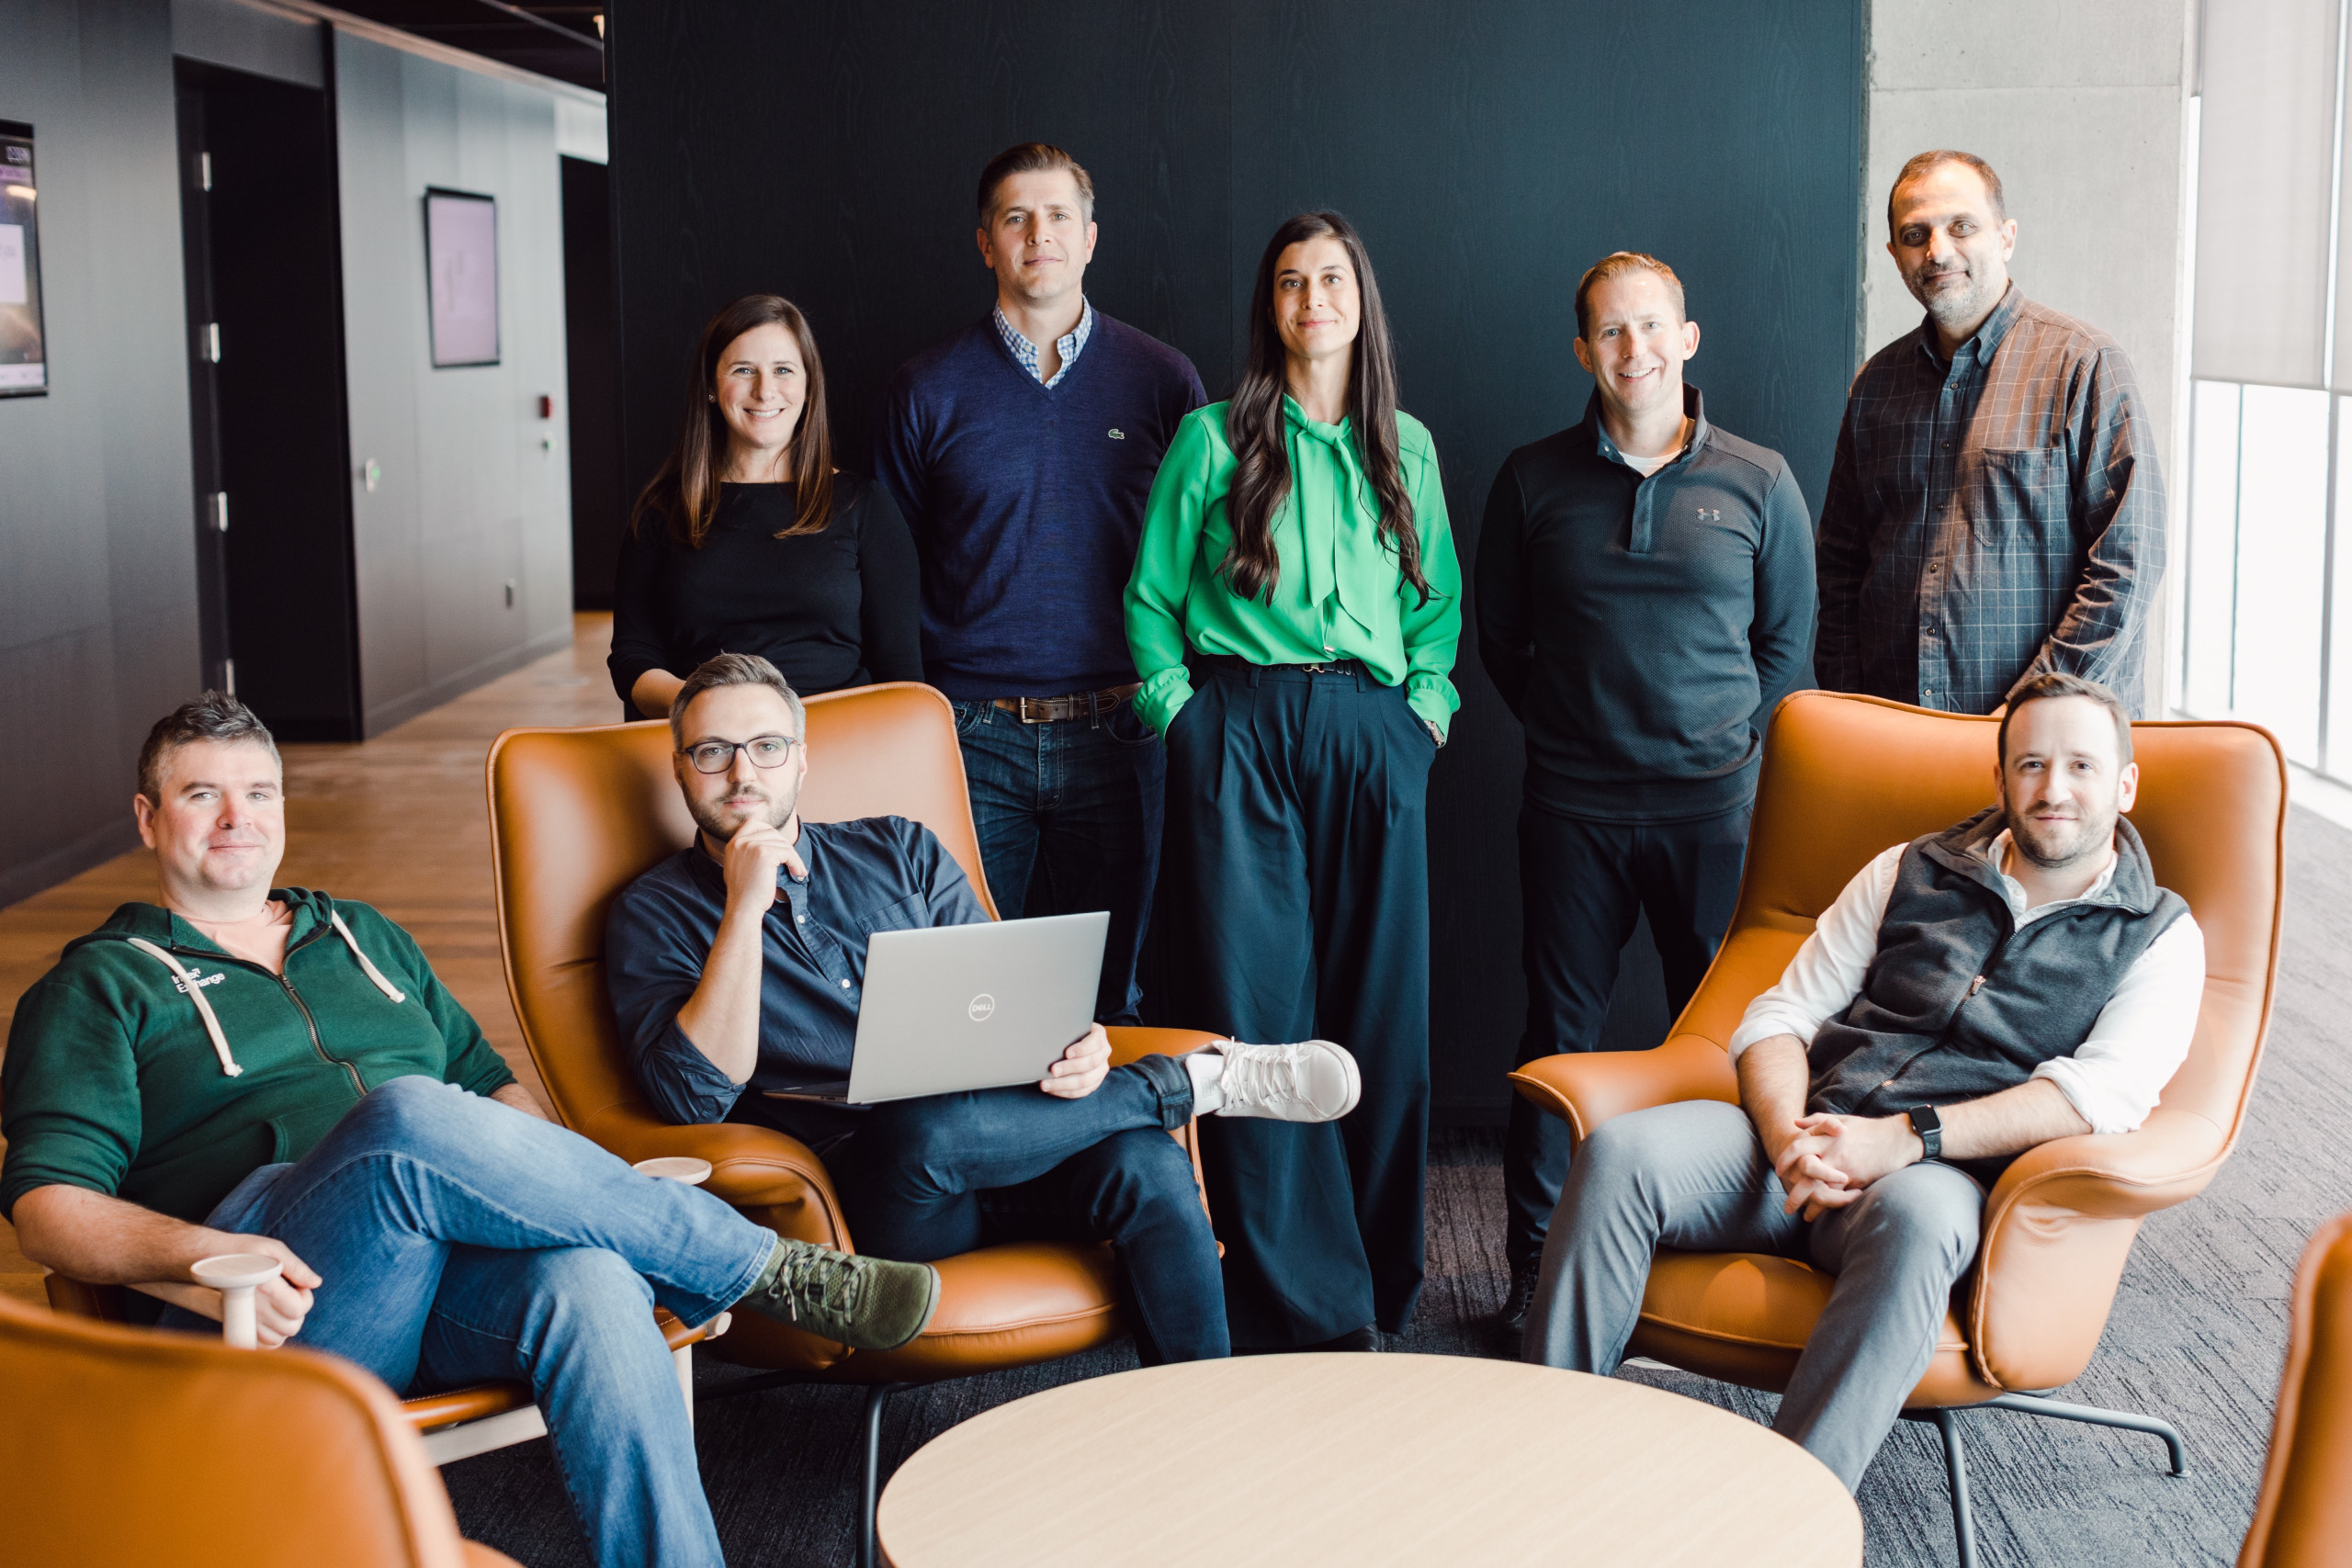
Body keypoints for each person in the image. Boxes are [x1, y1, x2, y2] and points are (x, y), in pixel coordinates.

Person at [1, 694, 943, 1568]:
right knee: (406, 1115)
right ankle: (755, 1265)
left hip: (431, 1275)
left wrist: (572, 1206)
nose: (236, 818)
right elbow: (46, 1210)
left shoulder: (362, 936)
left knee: (588, 1275)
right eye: (201, 795)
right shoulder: (98, 987)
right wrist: (198, 1258)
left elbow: (491, 1097)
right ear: (147, 818)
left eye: (257, 793)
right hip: (262, 1306)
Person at [1521, 672, 2206, 1490]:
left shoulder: (2160, 936)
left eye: (2082, 767)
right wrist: (1787, 1140)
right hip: (1800, 1140)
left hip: (1932, 1177)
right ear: (2001, 778)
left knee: (1922, 1220)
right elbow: (1779, 1016)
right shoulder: (1908, 868)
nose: (2053, 788)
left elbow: (2094, 1097)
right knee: (1621, 1151)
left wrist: (1903, 1140)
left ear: (2125, 783)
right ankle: (1546, 1463)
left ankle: (1785, 1516)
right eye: (2030, 764)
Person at [603, 653, 1362, 1368]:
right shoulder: (653, 911)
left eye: (767, 746)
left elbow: (1011, 1005)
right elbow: (692, 1095)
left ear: (802, 758)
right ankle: (1184, 1084)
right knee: (921, 1131)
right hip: (882, 1191)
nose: (742, 772)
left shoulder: (900, 849)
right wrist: (743, 907)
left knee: (1148, 1163)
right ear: (680, 768)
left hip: (1015, 1144)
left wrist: (1079, 1045)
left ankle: (1206, 1421)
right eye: (713, 752)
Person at [1125, 210, 1462, 1353]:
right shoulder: (1210, 438)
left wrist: (1423, 717)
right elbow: (1148, 601)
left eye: (1330, 278)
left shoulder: (1403, 446)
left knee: (1382, 1013)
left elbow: (1437, 611)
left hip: (1373, 734)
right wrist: (1184, 722)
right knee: (1257, 1018)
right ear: (1268, 308)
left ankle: (1376, 1283)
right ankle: (1293, 1297)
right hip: (1242, 731)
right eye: (1288, 281)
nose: (1311, 297)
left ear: (1359, 298)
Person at [1476, 251, 1816, 1347]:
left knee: (1720, 1037)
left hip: (1714, 813)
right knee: (1556, 1039)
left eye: (1650, 328)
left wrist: (1711, 744)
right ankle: (1534, 1273)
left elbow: (1785, 648)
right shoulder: (1531, 479)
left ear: (1688, 337)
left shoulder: (1759, 480)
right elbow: (1500, 641)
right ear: (1584, 351)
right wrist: (1578, 730)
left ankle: (1705, 1266)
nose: (1633, 351)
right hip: (1571, 809)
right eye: (1609, 334)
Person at [873, 143, 1206, 1027]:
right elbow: (894, 561)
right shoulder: (926, 388)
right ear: (986, 242)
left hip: (1123, 725)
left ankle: (1098, 1165)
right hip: (975, 733)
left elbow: (1198, 555)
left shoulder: (1163, 382)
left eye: (1058, 216)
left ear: (1091, 238)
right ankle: (998, 1169)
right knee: (975, 999)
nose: (1039, 235)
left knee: (1111, 994)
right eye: (1016, 218)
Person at [1817, 150, 2165, 717]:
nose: (1938, 251)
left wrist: (2032, 709)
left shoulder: (2084, 364)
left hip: (2048, 745)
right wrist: (1852, 704)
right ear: (1894, 255)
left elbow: (2128, 562)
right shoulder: (1876, 385)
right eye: (1915, 234)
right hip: (1895, 734)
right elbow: (1840, 564)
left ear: (2005, 237)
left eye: (1961, 226)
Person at [610, 293, 921, 719]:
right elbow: (633, 657)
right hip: (708, 747)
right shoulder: (662, 510)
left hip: (836, 745)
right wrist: (709, 711)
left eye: (783, 370)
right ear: (711, 388)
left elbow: (901, 675)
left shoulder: (864, 506)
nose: (765, 390)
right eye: (743, 370)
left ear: (808, 386)